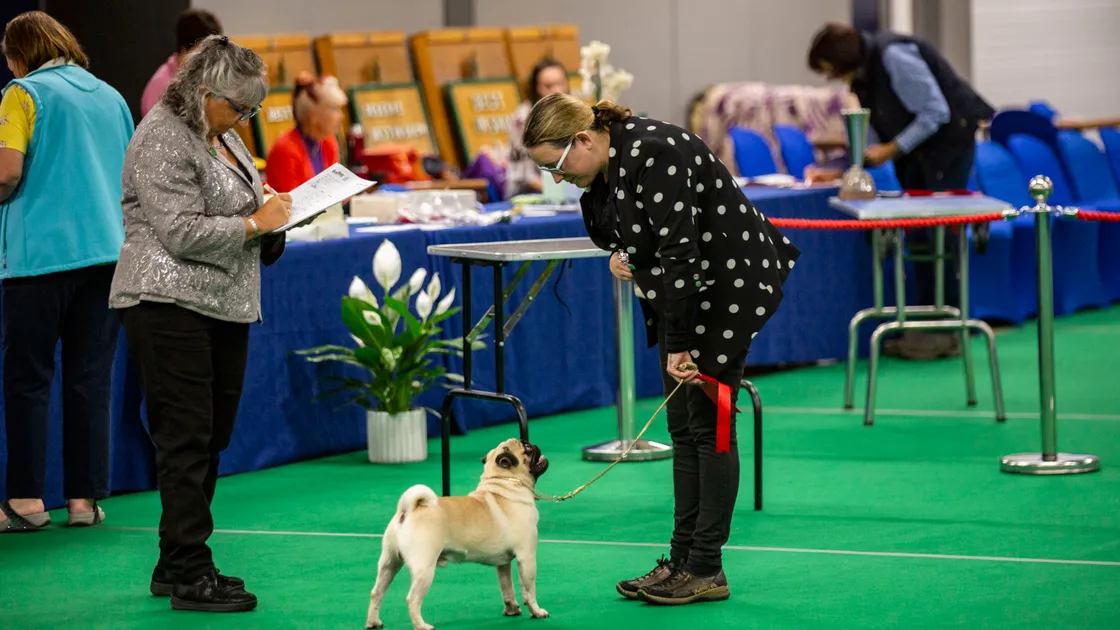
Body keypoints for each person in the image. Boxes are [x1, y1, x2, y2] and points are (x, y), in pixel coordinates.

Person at [521, 93, 800, 604]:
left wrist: (678, 346)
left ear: (583, 139)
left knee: (711, 427)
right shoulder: (610, 164)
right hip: (684, 291)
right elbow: (621, 236)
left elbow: (680, 253)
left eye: (556, 165)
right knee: (683, 427)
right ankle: (681, 559)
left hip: (727, 288)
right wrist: (623, 255)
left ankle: (707, 567)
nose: (556, 178)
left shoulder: (654, 151)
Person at [109, 35, 292, 612]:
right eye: (240, 108)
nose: (246, 119)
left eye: (252, 111)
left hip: (218, 303)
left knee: (210, 437)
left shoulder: (222, 135)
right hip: (166, 304)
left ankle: (175, 560)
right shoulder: (161, 135)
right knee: (186, 440)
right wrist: (254, 225)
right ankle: (190, 572)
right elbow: (181, 231)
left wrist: (277, 216)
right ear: (206, 92)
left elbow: (244, 208)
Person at [0, 11, 133, 532]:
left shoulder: (21, 94)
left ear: (20, 54)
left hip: (38, 261)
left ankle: (26, 503)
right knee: (89, 379)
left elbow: (7, 172)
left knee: (28, 379)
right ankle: (84, 501)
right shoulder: (111, 96)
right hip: (106, 256)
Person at [806, 22, 995, 360]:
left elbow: (935, 112)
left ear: (840, 58)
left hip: (947, 147)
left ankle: (945, 331)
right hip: (918, 153)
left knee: (940, 238)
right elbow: (877, 131)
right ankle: (926, 327)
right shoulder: (865, 72)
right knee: (920, 239)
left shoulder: (894, 55)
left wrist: (892, 148)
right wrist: (840, 168)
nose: (830, 76)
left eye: (828, 68)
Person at [264, 72, 346, 192]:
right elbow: (293, 203)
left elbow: (337, 191)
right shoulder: (286, 149)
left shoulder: (328, 141)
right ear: (313, 115)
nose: (341, 116)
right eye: (334, 109)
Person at [140, 8, 223, 117]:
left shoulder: (204, 79)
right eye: (203, 52)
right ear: (184, 50)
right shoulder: (162, 86)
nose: (210, 59)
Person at [505, 58, 569, 198]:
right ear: (536, 88)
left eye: (560, 83)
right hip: (529, 193)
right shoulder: (523, 119)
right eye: (548, 86)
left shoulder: (575, 113)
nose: (556, 90)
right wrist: (557, 192)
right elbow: (522, 173)